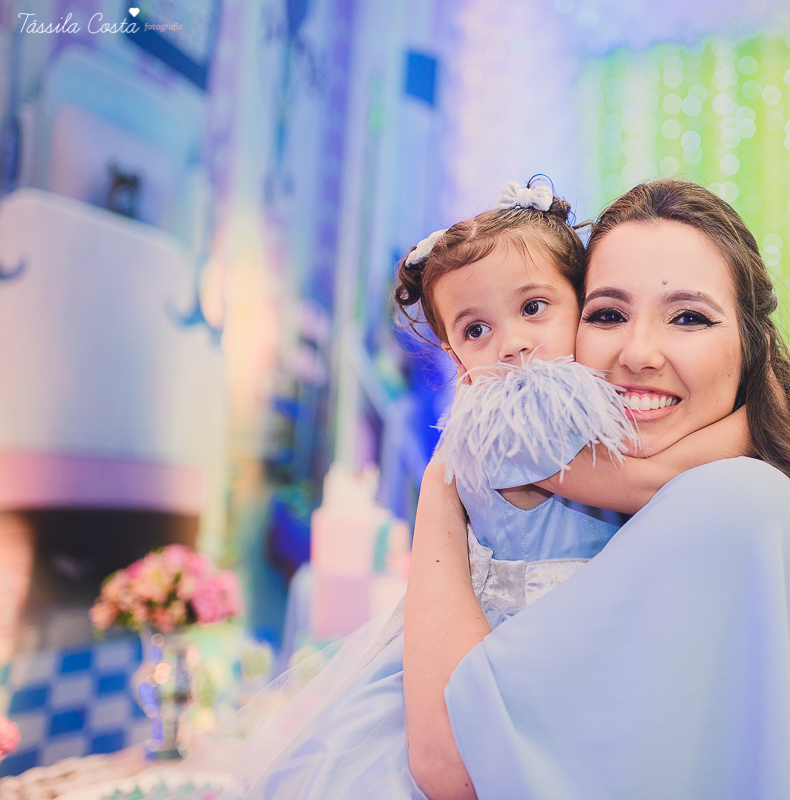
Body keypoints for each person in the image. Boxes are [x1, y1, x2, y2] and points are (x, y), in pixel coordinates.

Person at [187, 179, 748, 799]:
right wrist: (757, 424)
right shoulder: (508, 426)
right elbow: (655, 481)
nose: (511, 344)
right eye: (476, 330)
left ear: (579, 299)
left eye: (534, 307)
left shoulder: (587, 406)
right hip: (505, 653)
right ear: (456, 358)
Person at [405, 178, 790, 800]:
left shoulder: (733, 505)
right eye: (608, 314)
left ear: (751, 346)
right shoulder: (763, 496)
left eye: (689, 317)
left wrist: (438, 499)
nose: (638, 353)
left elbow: (453, 760)